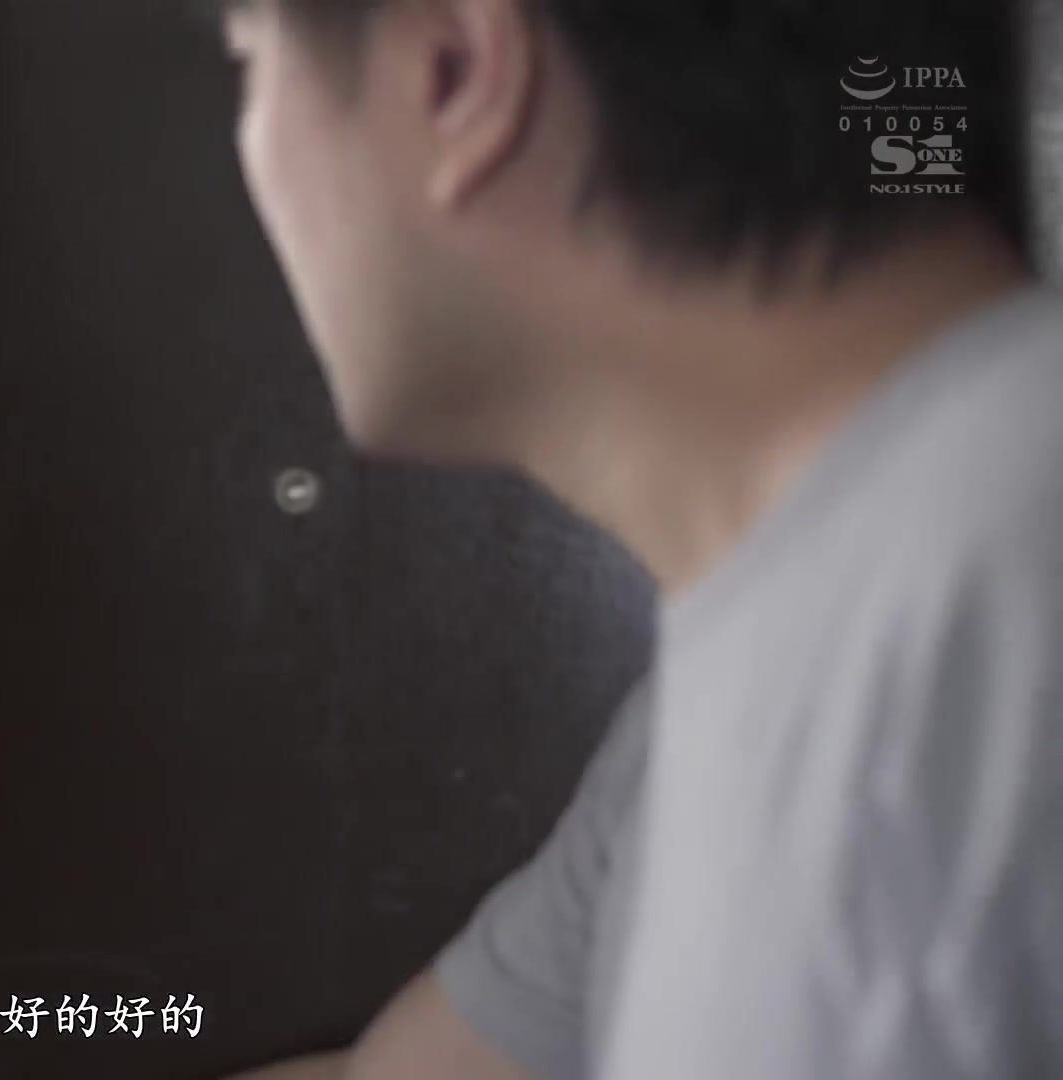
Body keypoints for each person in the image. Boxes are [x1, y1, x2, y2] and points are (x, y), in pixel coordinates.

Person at [217, 0, 1060, 1078]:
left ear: (454, 72)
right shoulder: (735, 700)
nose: (254, 144)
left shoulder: (1008, 598)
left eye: (251, 63)